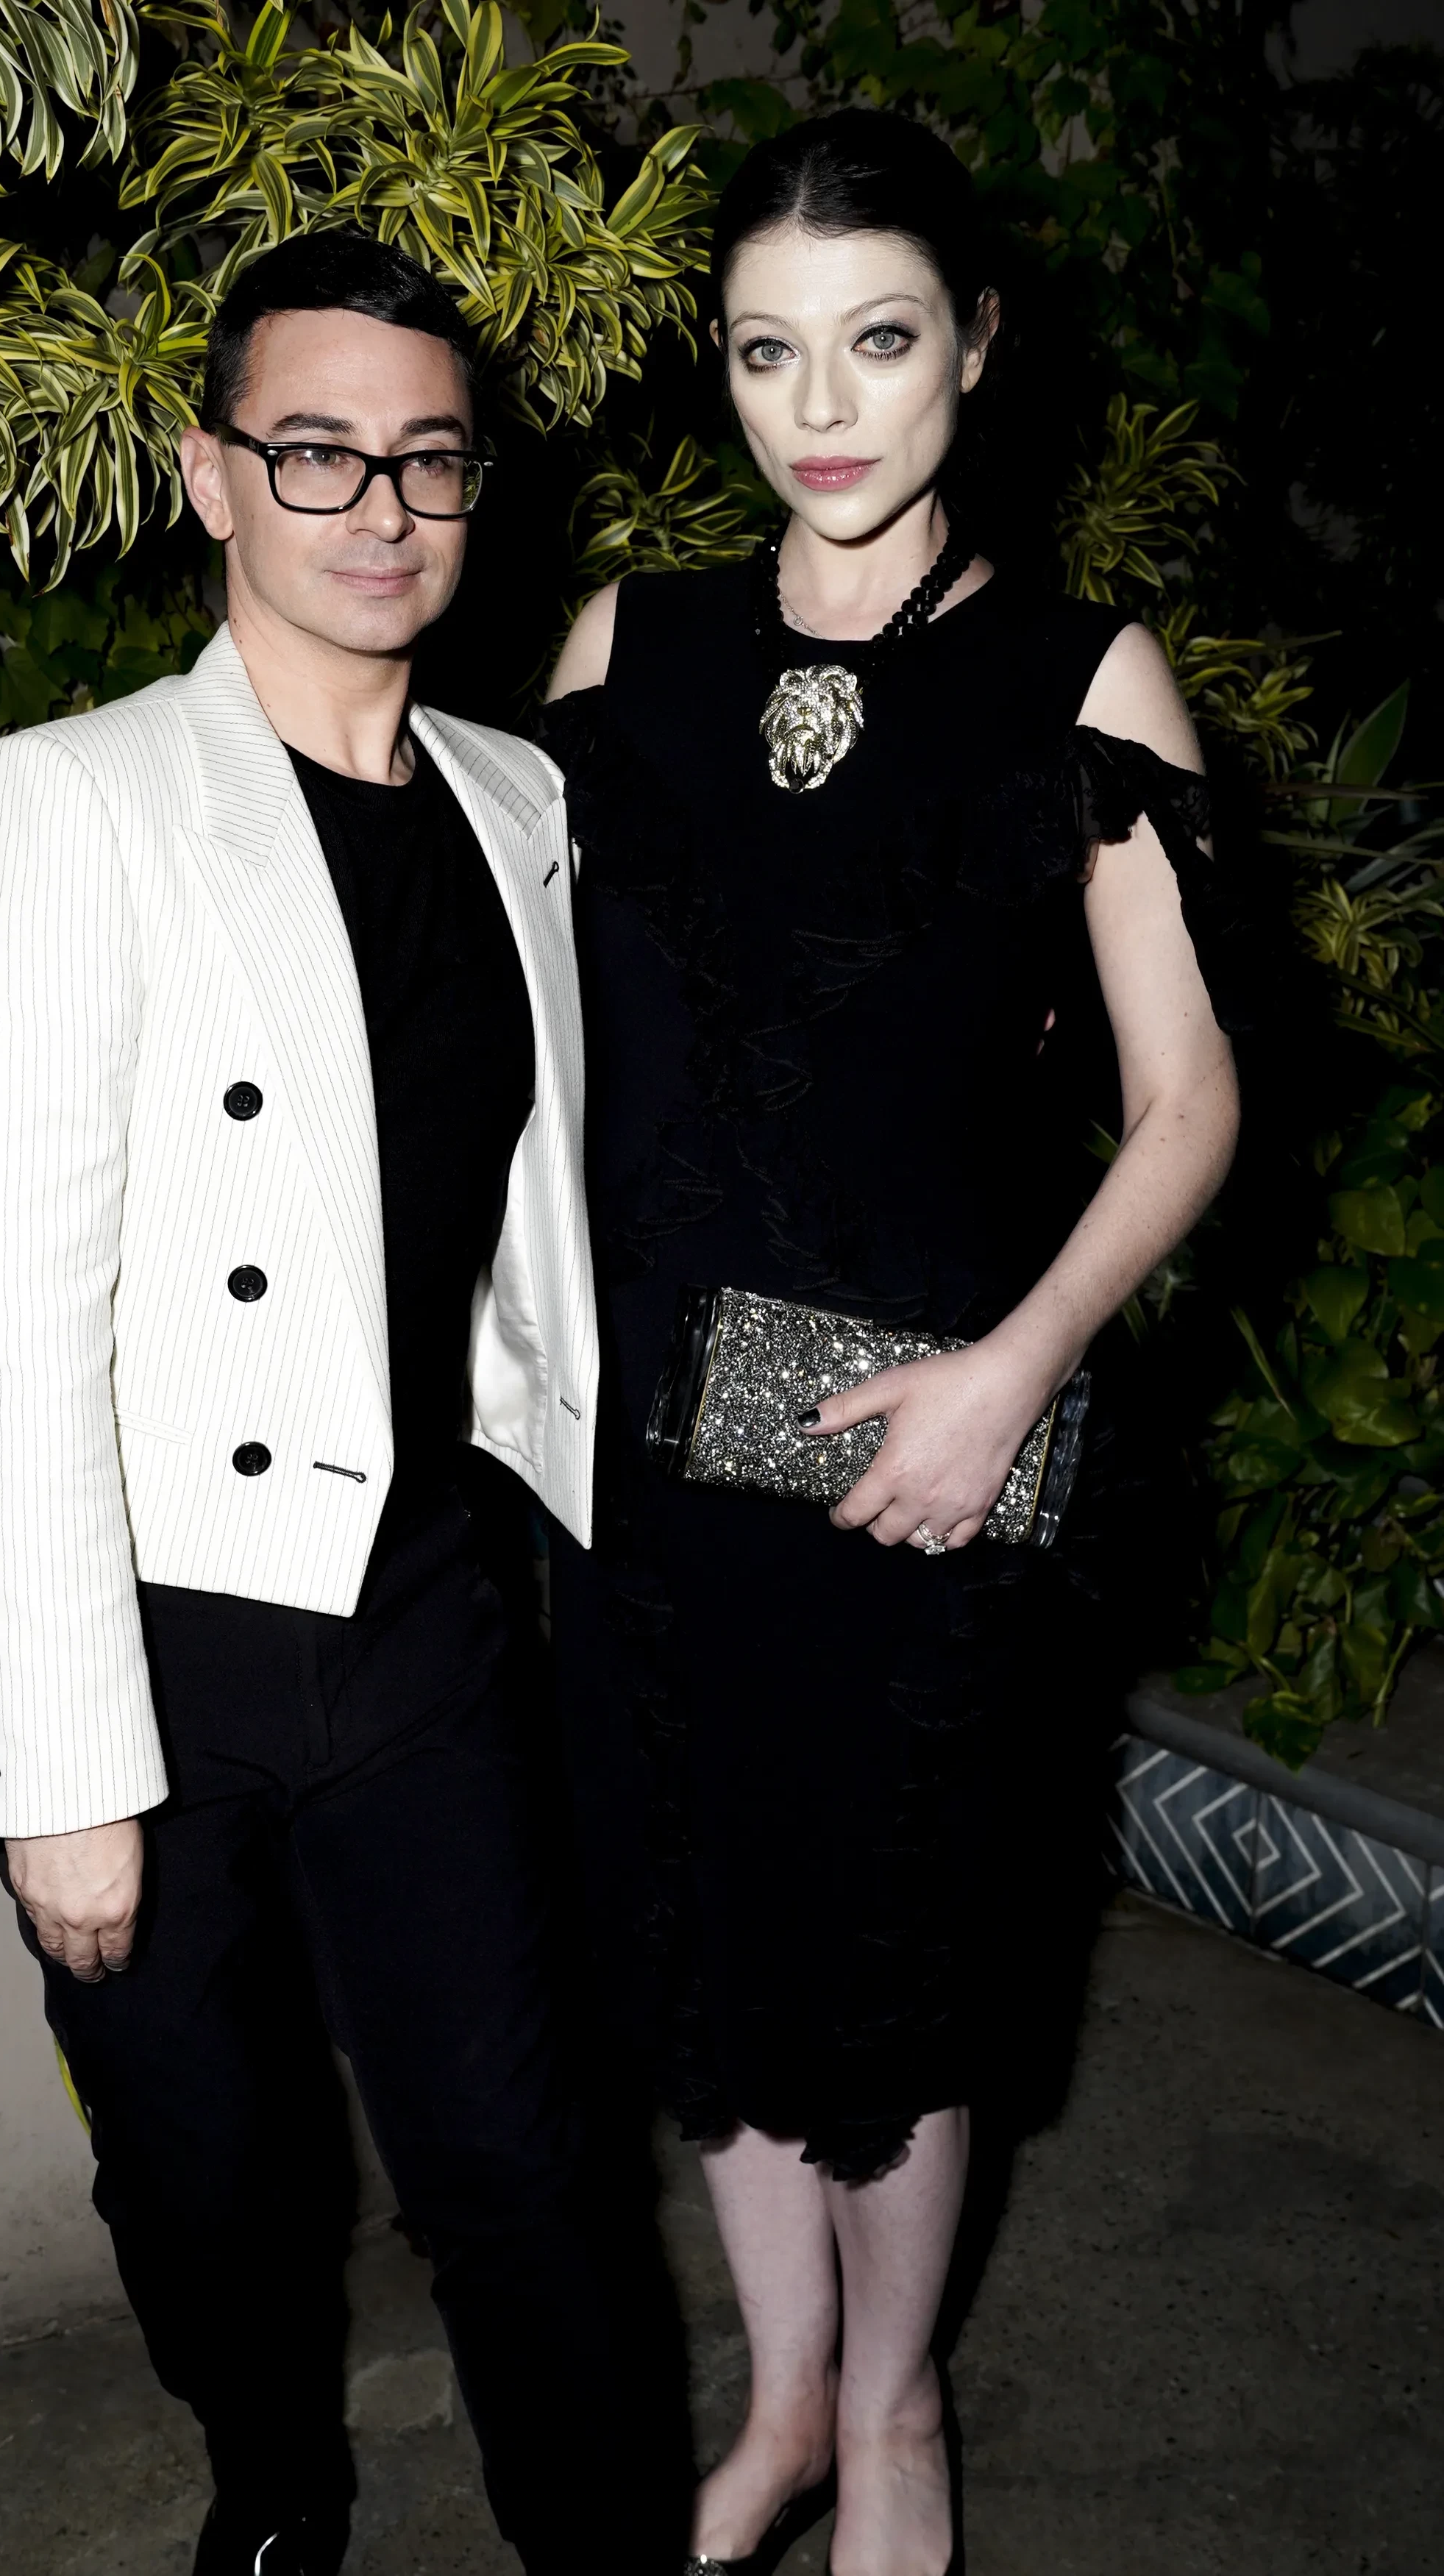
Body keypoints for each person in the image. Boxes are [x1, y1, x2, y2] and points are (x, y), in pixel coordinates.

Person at [0, 227, 680, 2576]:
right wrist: (64, 1765)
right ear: (211, 473)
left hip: (426, 1601)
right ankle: (274, 2489)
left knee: (525, 2166)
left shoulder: (516, 803)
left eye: (425, 460)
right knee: (209, 2176)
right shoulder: (78, 800)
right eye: (316, 451)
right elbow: (2, 1312)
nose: (377, 506)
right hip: (159, 1625)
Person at [544, 111, 1242, 2576]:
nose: (818, 405)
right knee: (708, 1934)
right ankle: (782, 2399)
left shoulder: (1078, 676)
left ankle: (898, 2414)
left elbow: (1187, 1098)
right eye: (764, 352)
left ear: (972, 347)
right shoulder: (626, 647)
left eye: (874, 339)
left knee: (898, 1965)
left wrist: (1013, 1372)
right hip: (654, 1437)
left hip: (925, 1449)